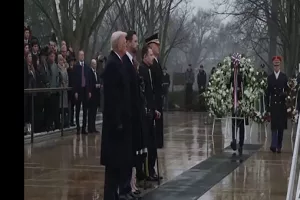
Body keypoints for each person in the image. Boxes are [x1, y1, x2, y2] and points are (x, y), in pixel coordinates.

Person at [100, 31, 132, 200]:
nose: (126, 44)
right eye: (124, 41)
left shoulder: (118, 62)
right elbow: (112, 97)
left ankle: (115, 194)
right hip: (115, 126)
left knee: (118, 164)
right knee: (113, 166)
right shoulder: (113, 64)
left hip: (121, 123)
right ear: (118, 44)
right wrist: (118, 121)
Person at [120, 30, 141, 200]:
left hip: (133, 114)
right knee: (126, 154)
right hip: (127, 115)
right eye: (135, 41)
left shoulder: (132, 62)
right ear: (127, 42)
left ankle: (128, 186)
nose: (137, 44)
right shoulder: (125, 63)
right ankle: (125, 187)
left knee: (131, 153)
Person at [139, 45, 162, 182]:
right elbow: (144, 93)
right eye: (150, 55)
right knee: (148, 143)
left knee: (153, 143)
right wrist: (149, 109)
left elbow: (152, 92)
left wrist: (155, 109)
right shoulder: (142, 70)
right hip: (146, 112)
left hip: (152, 110)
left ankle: (151, 169)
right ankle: (147, 171)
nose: (153, 57)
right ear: (145, 56)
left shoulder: (149, 69)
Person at [265, 56, 288, 153]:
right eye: (275, 65)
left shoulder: (284, 77)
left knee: (281, 127)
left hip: (281, 104)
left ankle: (279, 145)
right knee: (274, 126)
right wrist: (267, 106)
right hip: (273, 104)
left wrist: (285, 95)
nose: (276, 67)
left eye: (278, 65)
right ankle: (273, 145)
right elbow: (267, 93)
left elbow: (288, 91)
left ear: (280, 65)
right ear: (273, 66)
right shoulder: (270, 78)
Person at [145, 33, 164, 149]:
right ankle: (157, 142)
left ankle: (159, 141)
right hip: (154, 99)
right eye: (157, 45)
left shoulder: (157, 62)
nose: (159, 47)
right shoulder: (151, 64)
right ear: (151, 46)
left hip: (158, 97)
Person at [228, 60, 247, 155]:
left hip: (240, 102)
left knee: (241, 124)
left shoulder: (242, 77)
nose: (236, 69)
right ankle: (234, 140)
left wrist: (242, 101)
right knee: (233, 123)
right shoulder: (232, 77)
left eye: (237, 67)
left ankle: (241, 143)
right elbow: (229, 88)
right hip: (233, 103)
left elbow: (245, 89)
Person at [73, 50, 91, 135]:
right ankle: (78, 127)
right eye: (80, 55)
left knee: (85, 110)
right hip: (79, 90)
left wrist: (89, 91)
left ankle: (84, 128)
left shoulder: (87, 67)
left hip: (85, 90)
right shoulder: (76, 67)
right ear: (78, 56)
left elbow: (89, 80)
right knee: (77, 109)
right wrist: (75, 91)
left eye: (83, 55)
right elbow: (74, 80)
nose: (82, 56)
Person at [88, 59, 100, 133]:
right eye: (94, 64)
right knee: (91, 112)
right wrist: (95, 85)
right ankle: (90, 127)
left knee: (94, 112)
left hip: (96, 95)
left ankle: (93, 127)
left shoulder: (97, 73)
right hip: (92, 94)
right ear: (91, 64)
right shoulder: (89, 72)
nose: (95, 65)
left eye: (95, 64)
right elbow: (89, 83)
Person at [57, 54, 69, 128]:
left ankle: (65, 123)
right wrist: (61, 86)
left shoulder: (65, 69)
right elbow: (57, 79)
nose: (62, 61)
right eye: (60, 60)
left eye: (62, 59)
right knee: (60, 108)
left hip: (65, 91)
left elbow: (67, 79)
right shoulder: (57, 68)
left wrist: (66, 86)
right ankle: (59, 123)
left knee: (65, 108)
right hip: (60, 91)